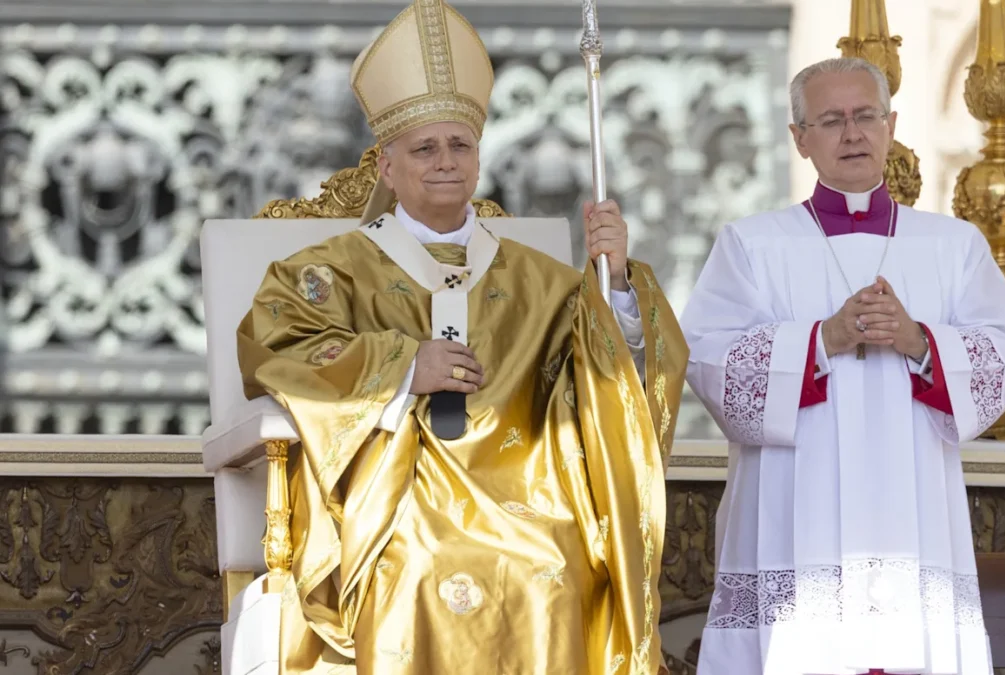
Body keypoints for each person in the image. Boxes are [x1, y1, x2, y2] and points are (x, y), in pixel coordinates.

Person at [236, 1, 688, 672]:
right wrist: (398, 365)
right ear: (386, 168)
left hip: (526, 495)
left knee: (556, 561)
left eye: (461, 145)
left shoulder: (546, 281)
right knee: (416, 565)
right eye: (425, 148)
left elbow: (615, 384)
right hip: (396, 500)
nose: (446, 161)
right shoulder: (327, 272)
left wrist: (617, 283)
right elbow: (275, 348)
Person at [683, 57, 1005, 675]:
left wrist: (921, 341)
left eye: (866, 115)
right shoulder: (752, 244)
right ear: (800, 138)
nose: (852, 133)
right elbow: (709, 358)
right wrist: (822, 339)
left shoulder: (952, 247)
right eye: (831, 120)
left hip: (914, 507)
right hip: (795, 507)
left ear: (891, 124)